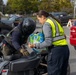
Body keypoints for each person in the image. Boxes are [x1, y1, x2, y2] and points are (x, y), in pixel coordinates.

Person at [28, 10, 70, 75]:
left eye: (39, 19)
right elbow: (62, 36)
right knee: (63, 72)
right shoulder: (55, 21)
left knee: (54, 72)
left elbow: (48, 42)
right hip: (64, 49)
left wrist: (35, 45)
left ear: (43, 17)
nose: (39, 22)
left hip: (56, 51)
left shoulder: (47, 24)